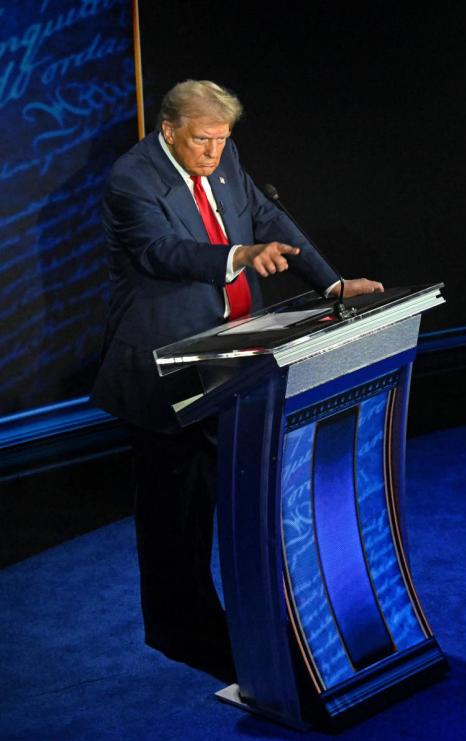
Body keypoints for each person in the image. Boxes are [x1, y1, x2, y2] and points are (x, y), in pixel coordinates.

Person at [91, 80, 383, 681]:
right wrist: (238, 256)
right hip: (163, 367)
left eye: (223, 140)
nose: (214, 153)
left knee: (237, 491)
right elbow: (162, 252)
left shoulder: (226, 159)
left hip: (234, 357)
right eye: (203, 139)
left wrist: (329, 283)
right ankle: (181, 630)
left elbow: (268, 216)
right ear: (168, 129)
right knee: (177, 511)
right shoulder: (132, 179)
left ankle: (253, 623)